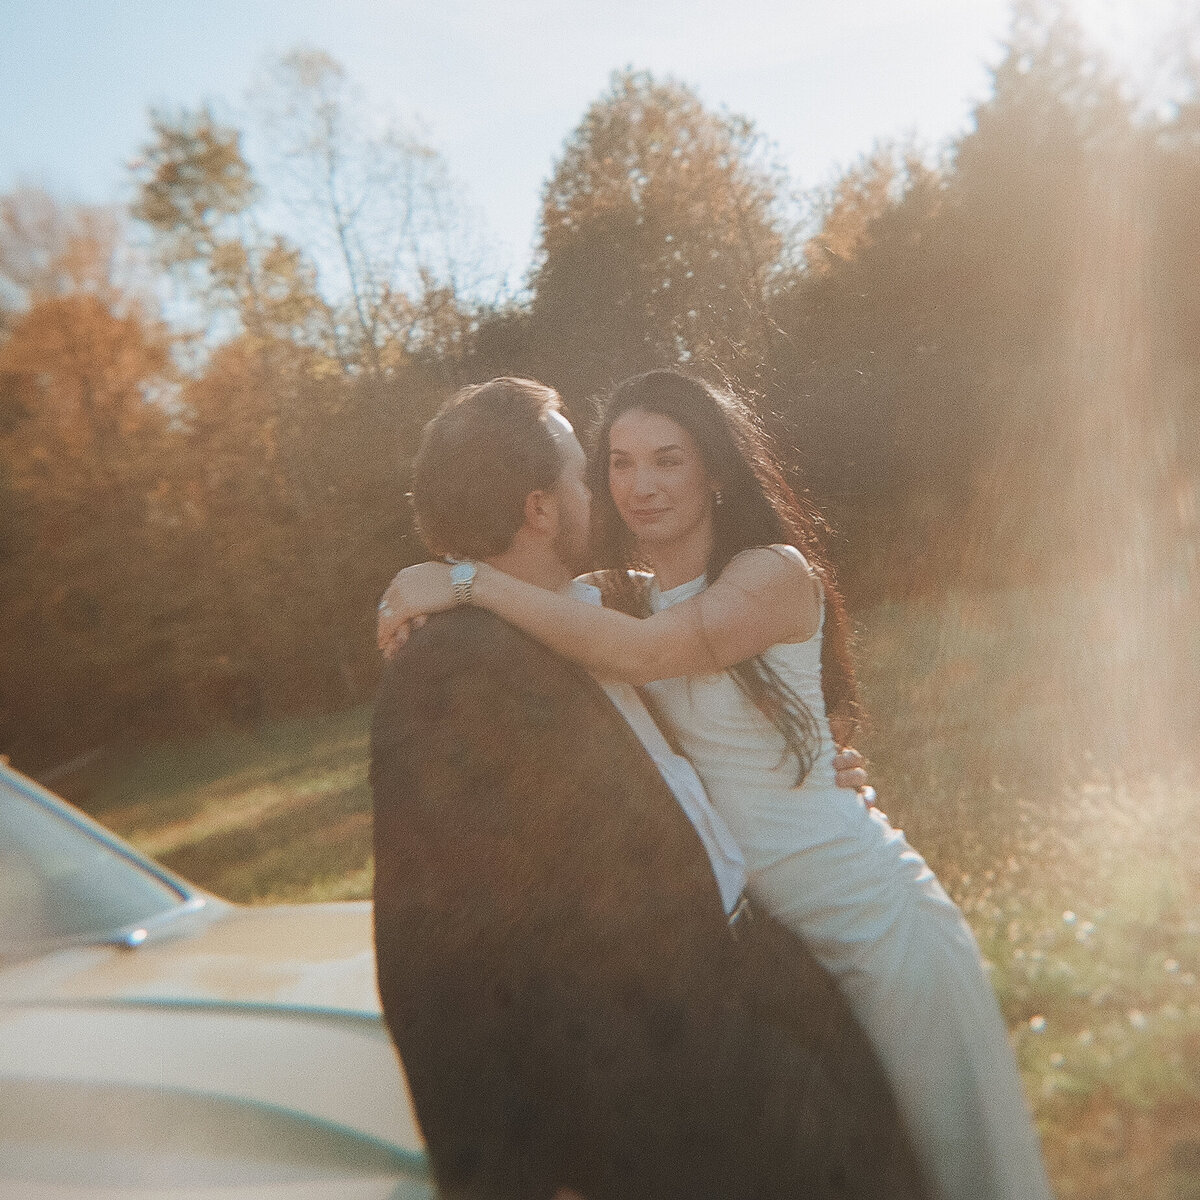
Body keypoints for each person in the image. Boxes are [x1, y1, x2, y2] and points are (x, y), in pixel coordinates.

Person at [378, 369, 1053, 1200]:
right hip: (778, 955)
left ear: (718, 472)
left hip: (865, 916)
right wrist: (432, 582)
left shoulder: (769, 573)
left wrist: (460, 582)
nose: (634, 485)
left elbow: (657, 656)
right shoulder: (604, 605)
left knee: (960, 1164)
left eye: (668, 460)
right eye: (616, 463)